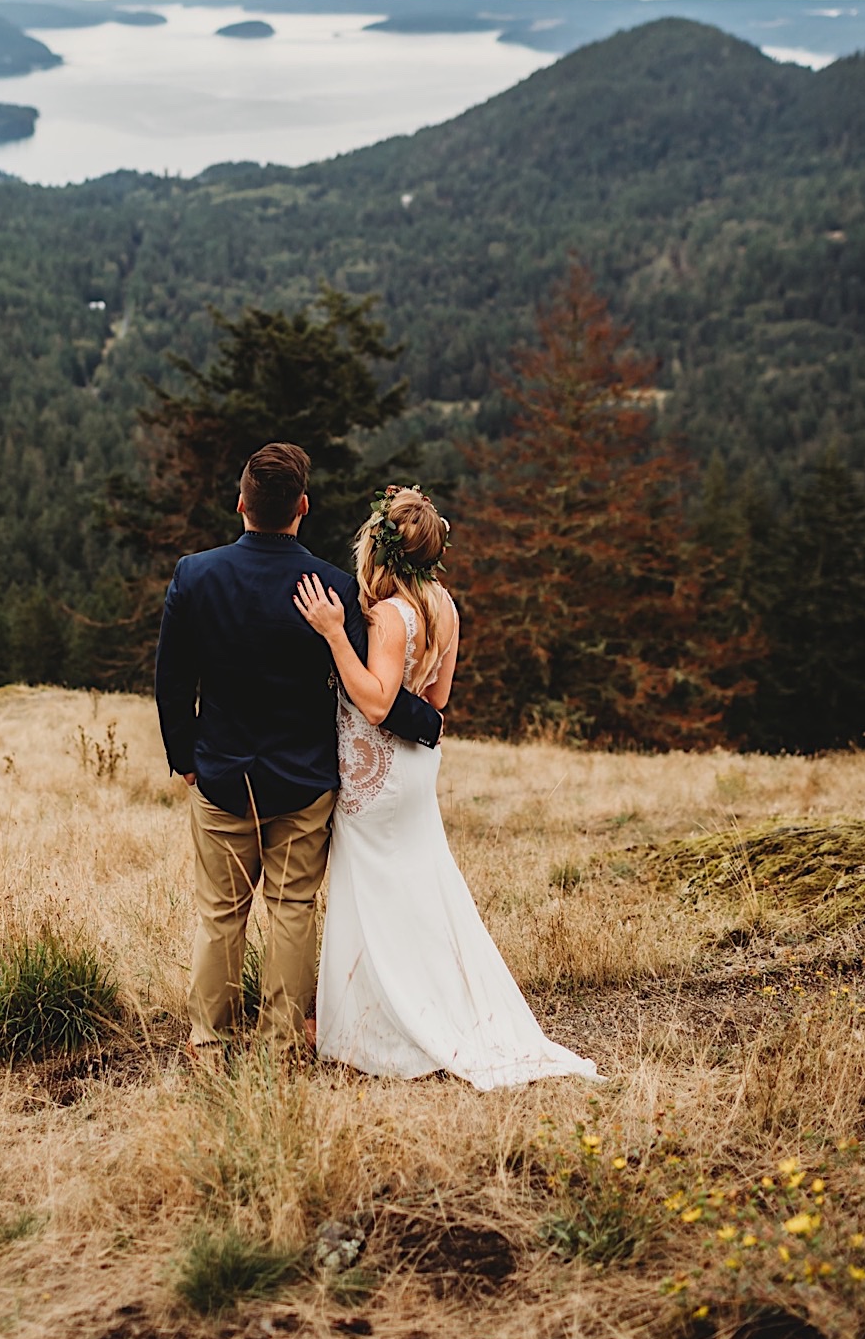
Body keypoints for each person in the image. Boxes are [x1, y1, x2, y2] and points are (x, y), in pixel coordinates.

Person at [294, 484, 597, 1091]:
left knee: (372, 891)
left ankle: (377, 1024)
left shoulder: (385, 615)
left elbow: (379, 703)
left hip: (372, 774)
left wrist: (332, 634)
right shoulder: (443, 606)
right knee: (419, 888)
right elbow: (436, 702)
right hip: (414, 771)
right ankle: (423, 1001)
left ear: (378, 549)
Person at [154, 443, 442, 1055]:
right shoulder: (333, 590)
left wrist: (185, 758)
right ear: (302, 508)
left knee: (220, 914)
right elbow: (372, 686)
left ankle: (209, 1043)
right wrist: (430, 722)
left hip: (222, 774)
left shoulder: (195, 575)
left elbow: (172, 679)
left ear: (241, 505)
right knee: (291, 909)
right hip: (305, 780)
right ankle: (280, 1046)